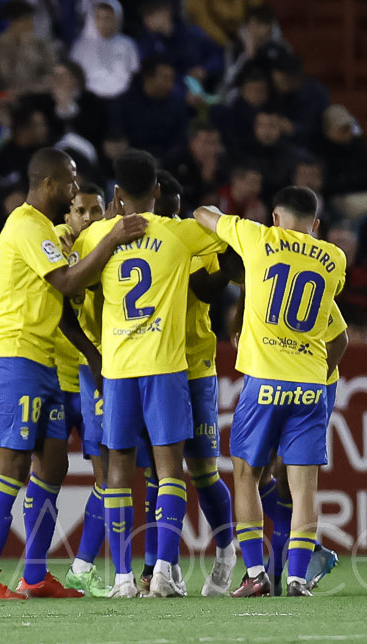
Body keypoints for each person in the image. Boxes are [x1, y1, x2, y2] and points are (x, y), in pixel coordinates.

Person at [0, 148, 144, 601]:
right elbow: (66, 283)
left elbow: (61, 305)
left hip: (41, 360)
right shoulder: (26, 225)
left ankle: (34, 575)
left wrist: (91, 354)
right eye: (69, 180)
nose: (74, 187)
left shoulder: (46, 231)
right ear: (48, 183)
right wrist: (111, 240)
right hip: (13, 356)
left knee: (54, 465)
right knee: (11, 467)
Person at [69, 151, 226, 598]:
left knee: (117, 472)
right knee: (169, 471)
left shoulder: (99, 234)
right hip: (166, 369)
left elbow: (73, 280)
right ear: (158, 191)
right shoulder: (181, 233)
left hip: (117, 371)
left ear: (116, 195)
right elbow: (225, 238)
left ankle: (121, 578)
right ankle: (161, 572)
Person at [192, 186, 349, 597]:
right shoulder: (335, 258)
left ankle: (256, 574)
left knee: (246, 475)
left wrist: (232, 225)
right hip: (312, 385)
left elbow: (203, 213)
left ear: (275, 219)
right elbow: (335, 329)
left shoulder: (257, 238)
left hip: (265, 382)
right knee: (303, 487)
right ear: (315, 226)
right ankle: (297, 576)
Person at [152, 169, 238, 597]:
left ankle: (225, 551)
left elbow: (211, 284)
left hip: (194, 365)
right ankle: (163, 567)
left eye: (171, 209)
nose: (167, 215)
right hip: (147, 366)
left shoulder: (191, 240)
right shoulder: (131, 239)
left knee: (203, 471)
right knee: (157, 473)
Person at [55, 182, 110, 597]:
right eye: (80, 210)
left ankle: (82, 566)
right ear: (67, 214)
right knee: (40, 478)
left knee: (108, 474)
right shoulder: (53, 245)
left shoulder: (108, 251)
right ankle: (32, 572)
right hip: (57, 377)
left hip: (93, 377)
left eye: (95, 210)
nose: (88, 218)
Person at [70, 0, 140, 101]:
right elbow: (74, 77)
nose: (103, 22)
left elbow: (135, 71)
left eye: (107, 18)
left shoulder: (127, 44)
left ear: (116, 20)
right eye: (98, 17)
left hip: (123, 99)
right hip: (91, 100)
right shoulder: (80, 46)